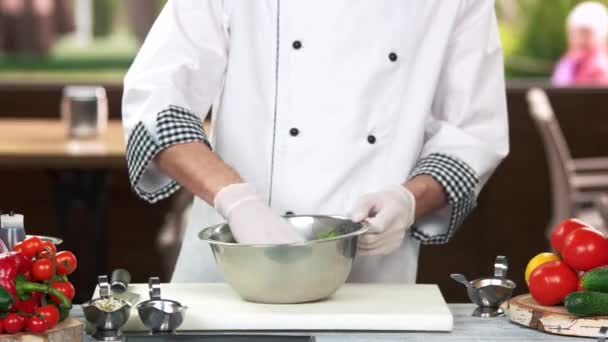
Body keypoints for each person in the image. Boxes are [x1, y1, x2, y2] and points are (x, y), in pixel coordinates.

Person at [122, 0, 509, 283]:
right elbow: (158, 104)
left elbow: (472, 133)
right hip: (231, 270)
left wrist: (409, 200)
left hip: (369, 283)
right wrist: (235, 200)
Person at [553, 1, 608, 87]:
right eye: (576, 33)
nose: (580, 39)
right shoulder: (567, 62)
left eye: (586, 33)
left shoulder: (600, 66)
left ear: (600, 36)